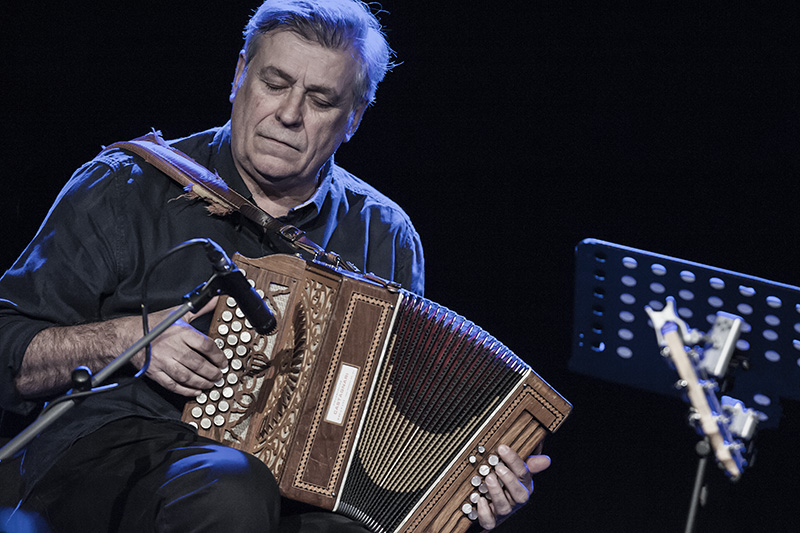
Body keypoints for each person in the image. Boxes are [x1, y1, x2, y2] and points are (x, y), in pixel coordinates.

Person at [0, 0, 550, 531]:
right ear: (239, 75)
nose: (289, 115)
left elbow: (388, 422)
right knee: (234, 487)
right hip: (104, 461)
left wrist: (469, 486)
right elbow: (8, 345)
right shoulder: (126, 184)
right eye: (275, 83)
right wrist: (128, 338)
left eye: (320, 99)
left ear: (353, 118)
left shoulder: (382, 233)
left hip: (287, 493)